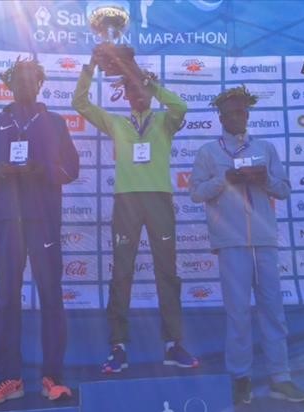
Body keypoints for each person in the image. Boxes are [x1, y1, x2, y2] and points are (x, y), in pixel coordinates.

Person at [72, 46, 198, 373]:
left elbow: (181, 106)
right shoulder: (116, 123)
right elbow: (80, 104)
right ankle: (118, 347)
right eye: (132, 90)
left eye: (142, 89)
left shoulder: (165, 121)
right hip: (126, 202)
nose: (139, 94)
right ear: (125, 95)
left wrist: (149, 81)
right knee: (122, 273)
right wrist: (90, 66)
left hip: (159, 200)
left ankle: (173, 344)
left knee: (167, 272)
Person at [189, 85, 304, 404]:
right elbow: (196, 193)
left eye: (243, 111)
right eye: (232, 113)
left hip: (265, 240)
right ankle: (240, 377)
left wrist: (263, 179)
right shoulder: (208, 152)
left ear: (248, 114)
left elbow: (284, 189)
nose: (238, 117)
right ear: (221, 117)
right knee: (238, 313)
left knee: (273, 310)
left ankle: (280, 377)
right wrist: (223, 180)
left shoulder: (265, 148)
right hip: (231, 242)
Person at [0, 57, 79, 404]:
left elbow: (72, 169)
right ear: (9, 84)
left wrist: (42, 170)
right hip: (7, 221)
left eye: (32, 79)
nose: (25, 84)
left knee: (51, 295)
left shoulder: (55, 122)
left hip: (43, 219)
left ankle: (52, 378)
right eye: (19, 79)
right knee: (6, 297)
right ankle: (9, 380)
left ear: (40, 84)